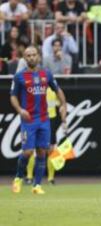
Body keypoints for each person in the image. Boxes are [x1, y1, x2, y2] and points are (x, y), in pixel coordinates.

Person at [10, 46, 67, 194]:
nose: (31, 58)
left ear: (39, 57)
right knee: (28, 152)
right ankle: (18, 178)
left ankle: (37, 185)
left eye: (34, 55)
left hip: (44, 119)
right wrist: (20, 110)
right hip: (28, 120)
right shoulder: (19, 77)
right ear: (24, 58)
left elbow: (57, 90)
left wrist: (63, 105)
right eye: (28, 56)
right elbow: (13, 96)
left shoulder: (46, 74)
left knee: (42, 152)